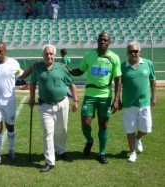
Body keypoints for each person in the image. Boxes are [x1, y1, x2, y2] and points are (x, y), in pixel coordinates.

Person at [67, 32, 122, 164]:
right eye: (101, 39)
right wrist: (67, 69)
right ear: (97, 41)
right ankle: (90, 141)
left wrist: (116, 99)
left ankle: (101, 153)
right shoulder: (89, 55)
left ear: (109, 42)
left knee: (103, 125)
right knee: (85, 123)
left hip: (105, 96)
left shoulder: (114, 57)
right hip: (90, 95)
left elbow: (118, 79)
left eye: (105, 40)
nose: (103, 42)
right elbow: (80, 71)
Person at [0, 42, 34, 168]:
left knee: (10, 127)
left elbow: (22, 75)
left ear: (5, 51)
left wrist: (32, 68)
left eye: (0, 51)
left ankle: (11, 149)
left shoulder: (13, 63)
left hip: (9, 100)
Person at [28, 44, 79, 172]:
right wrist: (31, 98)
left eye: (51, 54)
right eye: (46, 54)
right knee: (48, 133)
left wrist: (76, 100)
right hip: (45, 105)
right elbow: (33, 83)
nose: (49, 56)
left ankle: (61, 151)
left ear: (54, 55)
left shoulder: (62, 68)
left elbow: (72, 85)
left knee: (62, 130)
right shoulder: (38, 68)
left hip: (62, 103)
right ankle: (50, 161)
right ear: (43, 55)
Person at [120, 41, 156, 162]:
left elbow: (152, 80)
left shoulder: (148, 63)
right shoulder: (122, 66)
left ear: (139, 51)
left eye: (136, 51)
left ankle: (137, 138)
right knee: (130, 129)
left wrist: (154, 97)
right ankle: (132, 153)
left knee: (146, 129)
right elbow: (119, 84)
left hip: (144, 103)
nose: (134, 53)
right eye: (131, 51)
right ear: (127, 53)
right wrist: (117, 100)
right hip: (128, 104)